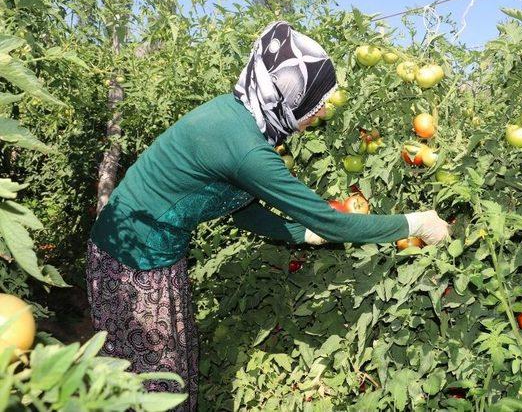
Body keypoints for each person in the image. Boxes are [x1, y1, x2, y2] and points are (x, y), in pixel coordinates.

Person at [86, 21, 450, 411]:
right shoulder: (247, 150)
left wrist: (301, 234)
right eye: (316, 100)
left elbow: (238, 210)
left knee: (168, 374)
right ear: (289, 94)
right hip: (133, 265)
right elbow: (332, 221)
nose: (323, 110)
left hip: (150, 253)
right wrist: (415, 222)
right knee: (151, 388)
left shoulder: (238, 116)